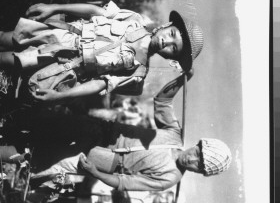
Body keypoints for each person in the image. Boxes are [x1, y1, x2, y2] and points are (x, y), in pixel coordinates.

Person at [0, 1, 204, 103]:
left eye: (173, 49)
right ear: (168, 25)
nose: (167, 44)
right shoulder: (134, 19)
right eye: (171, 36)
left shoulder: (138, 72)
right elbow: (96, 11)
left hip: (63, 64)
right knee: (4, 39)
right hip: (61, 34)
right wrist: (55, 6)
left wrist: (58, 95)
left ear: (170, 57)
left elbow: (99, 84)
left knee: (5, 60)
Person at [29, 69, 232, 191]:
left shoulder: (171, 178)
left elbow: (123, 182)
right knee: (46, 126)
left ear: (200, 173)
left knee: (41, 159)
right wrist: (181, 79)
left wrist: (93, 172)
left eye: (200, 165)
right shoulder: (174, 135)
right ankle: (9, 125)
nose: (193, 160)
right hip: (102, 130)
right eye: (198, 153)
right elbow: (162, 101)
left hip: (101, 160)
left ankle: (4, 154)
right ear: (197, 144)